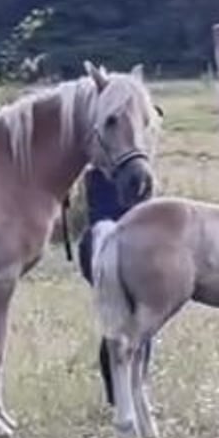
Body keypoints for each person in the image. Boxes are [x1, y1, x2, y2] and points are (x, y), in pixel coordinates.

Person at [77, 166, 151, 406]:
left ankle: (128, 395)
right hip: (106, 244)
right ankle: (122, 396)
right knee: (123, 324)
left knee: (132, 323)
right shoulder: (105, 171)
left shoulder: (130, 168)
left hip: (122, 245)